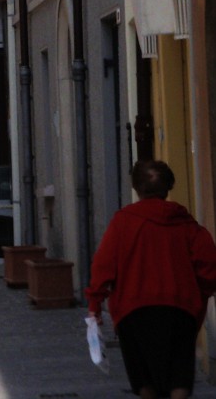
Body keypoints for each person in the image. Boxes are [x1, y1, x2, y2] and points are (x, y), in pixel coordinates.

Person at [86, 159, 216, 399]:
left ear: (136, 188)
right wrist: (203, 293)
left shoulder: (123, 222)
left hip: (133, 310)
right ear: (168, 189)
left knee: (143, 377)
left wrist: (94, 305)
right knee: (179, 374)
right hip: (180, 309)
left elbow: (103, 266)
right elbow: (208, 266)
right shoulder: (186, 224)